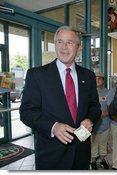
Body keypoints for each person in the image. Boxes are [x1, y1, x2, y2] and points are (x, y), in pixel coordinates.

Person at [19, 26, 101, 170]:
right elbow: (27, 112)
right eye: (59, 41)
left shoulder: (88, 76)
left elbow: (95, 106)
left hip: (81, 155)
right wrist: (53, 126)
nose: (64, 47)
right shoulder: (37, 75)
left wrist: (89, 119)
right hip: (51, 157)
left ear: (79, 47)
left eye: (69, 42)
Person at [90, 72, 110, 170]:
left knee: (103, 143)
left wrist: (108, 112)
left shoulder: (108, 92)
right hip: (93, 124)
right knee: (93, 144)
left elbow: (112, 105)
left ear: (103, 81)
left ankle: (102, 160)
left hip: (105, 123)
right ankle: (93, 162)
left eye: (100, 79)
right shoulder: (89, 92)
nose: (97, 81)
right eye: (95, 79)